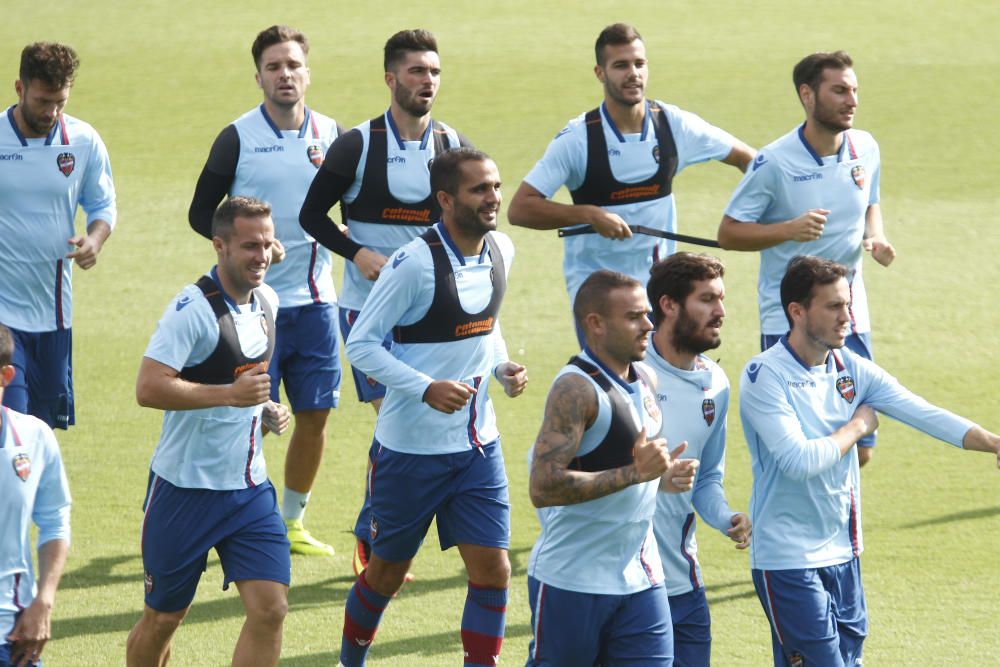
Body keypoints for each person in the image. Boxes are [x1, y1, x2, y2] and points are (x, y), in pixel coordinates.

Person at [740, 255, 1000, 667]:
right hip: (788, 560)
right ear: (797, 311)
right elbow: (798, 461)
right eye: (834, 306)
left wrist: (994, 443)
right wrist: (858, 427)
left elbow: (921, 411)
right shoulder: (764, 375)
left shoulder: (851, 367)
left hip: (844, 553)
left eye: (848, 304)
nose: (848, 316)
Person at [337, 148, 526, 667]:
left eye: (495, 186)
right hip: (409, 452)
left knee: (494, 570)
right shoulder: (413, 263)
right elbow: (362, 344)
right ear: (445, 200)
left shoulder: (502, 249)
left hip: (477, 449)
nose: (493, 198)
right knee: (386, 575)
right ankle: (349, 661)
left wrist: (501, 368)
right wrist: (424, 387)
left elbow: (488, 325)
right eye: (479, 190)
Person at [298, 28, 473, 574]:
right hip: (369, 313)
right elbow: (310, 217)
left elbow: (468, 225)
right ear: (391, 78)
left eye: (435, 72)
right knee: (395, 418)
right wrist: (356, 252)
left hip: (430, 317)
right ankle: (377, 532)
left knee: (408, 424)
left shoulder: (450, 145)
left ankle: (380, 523)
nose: (428, 81)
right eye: (417, 71)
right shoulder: (357, 145)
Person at [188, 25, 344, 557]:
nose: (285, 74)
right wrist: (250, 246)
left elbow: (349, 210)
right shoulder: (237, 137)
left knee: (315, 414)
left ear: (307, 71)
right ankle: (220, 519)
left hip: (318, 303)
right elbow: (198, 213)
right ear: (258, 76)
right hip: (250, 309)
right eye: (274, 66)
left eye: (293, 65)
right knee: (242, 416)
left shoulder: (333, 134)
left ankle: (292, 520)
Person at [126, 197, 293, 666]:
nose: (261, 255)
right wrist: (230, 396)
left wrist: (264, 410)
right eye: (248, 246)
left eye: (266, 244)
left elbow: (244, 382)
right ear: (219, 246)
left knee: (271, 609)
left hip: (249, 491)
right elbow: (149, 387)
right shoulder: (191, 310)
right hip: (184, 491)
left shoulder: (267, 301)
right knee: (163, 619)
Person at [719, 50, 896, 466]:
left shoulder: (865, 147)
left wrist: (877, 236)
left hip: (850, 311)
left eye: (853, 90)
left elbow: (870, 200)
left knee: (860, 446)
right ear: (807, 95)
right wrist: (788, 230)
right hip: (790, 319)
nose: (851, 100)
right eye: (838, 91)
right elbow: (728, 232)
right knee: (800, 450)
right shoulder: (773, 163)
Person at [507, 22, 753, 314]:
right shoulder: (577, 139)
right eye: (621, 65)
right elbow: (520, 208)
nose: (633, 73)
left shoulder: (675, 125)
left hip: (660, 290)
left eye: (640, 63)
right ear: (600, 73)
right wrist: (587, 214)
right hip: (597, 295)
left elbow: (750, 159)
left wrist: (758, 215)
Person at [525, 269, 700, 666]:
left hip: (642, 577)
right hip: (573, 580)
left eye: (647, 314)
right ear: (596, 324)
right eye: (634, 317)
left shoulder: (646, 380)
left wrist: (664, 478)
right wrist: (636, 474)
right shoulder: (575, 389)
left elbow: (632, 471)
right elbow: (543, 486)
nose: (649, 325)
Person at [0, 42, 117, 430]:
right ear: (19, 88)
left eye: (60, 102)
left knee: (42, 435)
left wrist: (94, 240)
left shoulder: (82, 142)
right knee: (11, 428)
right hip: (3, 318)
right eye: (42, 101)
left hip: (54, 316)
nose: (51, 112)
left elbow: (103, 206)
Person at [644, 254, 750, 666]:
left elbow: (706, 480)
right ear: (669, 305)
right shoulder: (625, 374)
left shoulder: (715, 384)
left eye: (721, 299)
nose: (720, 312)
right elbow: (562, 478)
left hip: (683, 585)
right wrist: (654, 479)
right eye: (707, 299)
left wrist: (726, 518)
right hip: (625, 585)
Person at [0, 323, 71, 667]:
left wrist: (44, 599)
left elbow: (55, 519)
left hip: (10, 634)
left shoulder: (34, 437)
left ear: (6, 376)